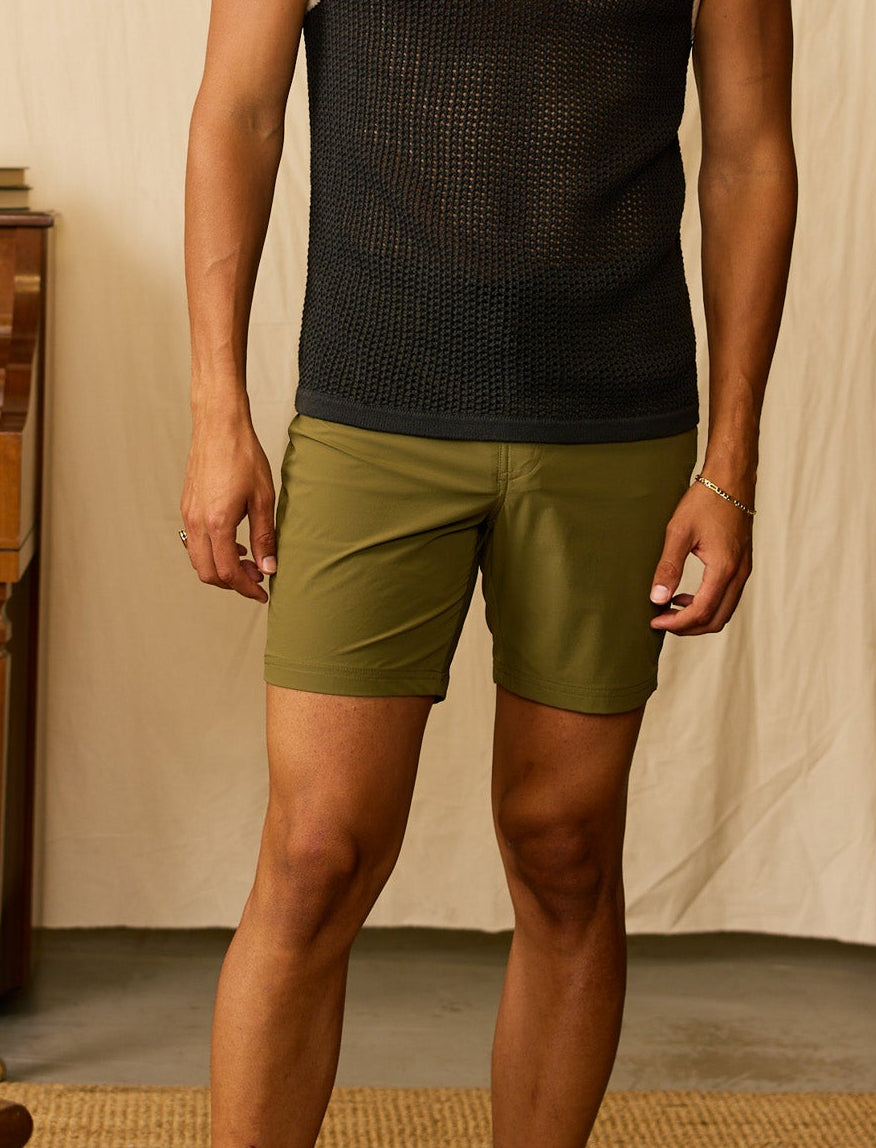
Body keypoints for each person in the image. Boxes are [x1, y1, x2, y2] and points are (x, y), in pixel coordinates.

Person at [179, 0, 797, 1142]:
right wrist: (220, 407)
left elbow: (750, 155)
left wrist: (730, 462)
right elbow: (240, 110)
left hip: (614, 427)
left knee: (564, 848)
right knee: (316, 850)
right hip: (371, 414)